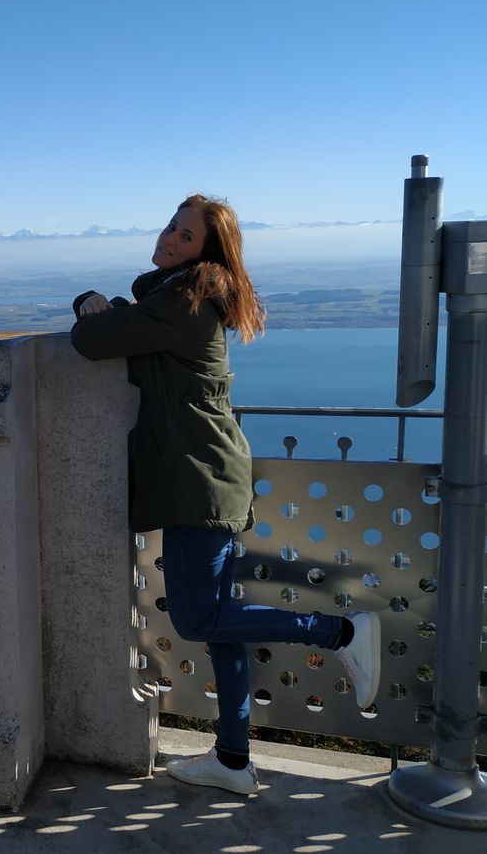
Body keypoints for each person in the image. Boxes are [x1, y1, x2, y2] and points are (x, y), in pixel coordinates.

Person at [69, 194, 380, 796]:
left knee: (198, 617)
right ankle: (234, 759)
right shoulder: (181, 296)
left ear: (206, 252)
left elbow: (92, 340)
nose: (170, 239)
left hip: (199, 481)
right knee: (221, 627)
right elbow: (129, 331)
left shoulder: (184, 300)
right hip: (208, 474)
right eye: (171, 227)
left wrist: (87, 303)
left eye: (186, 236)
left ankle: (340, 633)